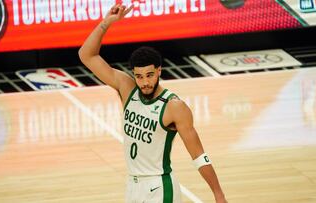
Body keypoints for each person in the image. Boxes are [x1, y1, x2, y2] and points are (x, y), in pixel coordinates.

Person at [78, 4, 227, 203]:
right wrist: (107, 23)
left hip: (160, 187)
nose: (145, 82)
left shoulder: (174, 106)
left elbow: (199, 155)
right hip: (133, 185)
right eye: (139, 76)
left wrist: (218, 194)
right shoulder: (126, 88)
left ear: (159, 71)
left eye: (149, 75)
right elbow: (87, 55)